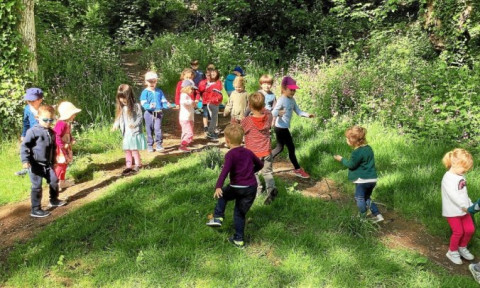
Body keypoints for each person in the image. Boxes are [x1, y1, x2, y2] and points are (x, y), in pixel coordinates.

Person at [206, 124, 263, 248]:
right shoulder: (248, 152)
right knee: (239, 213)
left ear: (227, 141)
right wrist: (250, 172)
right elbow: (260, 164)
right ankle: (238, 240)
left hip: (236, 187)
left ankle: (218, 217)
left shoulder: (230, 154)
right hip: (251, 188)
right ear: (242, 138)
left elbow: (224, 171)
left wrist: (218, 186)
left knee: (223, 195)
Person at [20, 105, 67, 218]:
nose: (48, 122)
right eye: (45, 120)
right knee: (37, 186)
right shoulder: (33, 131)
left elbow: (53, 147)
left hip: (47, 164)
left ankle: (53, 199)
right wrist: (25, 160)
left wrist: (54, 159)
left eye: (51, 120)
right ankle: (35, 209)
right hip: (35, 164)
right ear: (37, 117)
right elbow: (24, 146)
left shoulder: (51, 132)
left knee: (54, 181)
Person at [333, 126, 384, 223]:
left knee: (359, 198)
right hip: (372, 179)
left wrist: (341, 159)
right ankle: (378, 215)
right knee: (366, 198)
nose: (346, 140)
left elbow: (351, 165)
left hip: (362, 180)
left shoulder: (357, 152)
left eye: (347, 138)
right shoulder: (368, 148)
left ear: (353, 140)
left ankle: (362, 217)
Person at [271, 76, 314, 178]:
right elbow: (273, 112)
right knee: (291, 147)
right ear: (284, 89)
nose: (293, 92)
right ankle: (297, 169)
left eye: (294, 90)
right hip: (280, 127)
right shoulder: (282, 99)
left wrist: (307, 115)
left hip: (284, 127)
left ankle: (263, 162)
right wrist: (279, 113)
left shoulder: (292, 100)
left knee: (280, 147)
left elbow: (298, 111)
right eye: (291, 90)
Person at [241, 92, 278, 205]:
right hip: (266, 151)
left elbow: (241, 129)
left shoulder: (247, 121)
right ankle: (271, 189)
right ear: (263, 106)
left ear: (250, 106)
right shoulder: (268, 117)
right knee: (267, 172)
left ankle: (258, 190)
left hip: (253, 153)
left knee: (254, 173)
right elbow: (268, 111)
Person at [440, 148, 475, 265]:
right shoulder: (447, 178)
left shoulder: (461, 176)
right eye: (463, 168)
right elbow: (453, 196)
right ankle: (452, 251)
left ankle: (462, 247)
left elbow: (463, 193)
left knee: (470, 229)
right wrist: (464, 206)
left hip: (464, 210)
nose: (465, 170)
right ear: (454, 163)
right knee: (458, 232)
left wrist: (470, 204)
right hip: (453, 211)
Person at [112, 84, 147, 175]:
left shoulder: (136, 106)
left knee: (134, 149)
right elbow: (119, 118)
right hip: (126, 133)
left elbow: (140, 117)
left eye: (124, 97)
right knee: (127, 149)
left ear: (129, 96)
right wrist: (116, 124)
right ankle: (128, 166)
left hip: (134, 133)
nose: (122, 100)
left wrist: (134, 124)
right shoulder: (123, 108)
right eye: (120, 98)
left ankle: (138, 164)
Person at [140, 71, 171, 152]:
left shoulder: (159, 91)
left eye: (154, 81)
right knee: (149, 129)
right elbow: (143, 103)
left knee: (158, 129)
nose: (152, 83)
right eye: (150, 81)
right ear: (146, 82)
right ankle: (150, 145)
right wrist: (149, 106)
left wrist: (166, 105)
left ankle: (159, 145)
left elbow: (163, 101)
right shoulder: (145, 92)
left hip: (158, 113)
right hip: (148, 114)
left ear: (156, 81)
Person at [16, 88, 45, 176]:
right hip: (31, 134)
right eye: (28, 101)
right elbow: (26, 123)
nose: (30, 103)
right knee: (29, 151)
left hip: (42, 134)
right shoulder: (27, 109)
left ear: (40, 100)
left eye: (32, 100)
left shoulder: (44, 109)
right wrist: (24, 134)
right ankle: (29, 168)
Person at [54, 101, 81, 190]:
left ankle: (62, 182)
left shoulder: (67, 123)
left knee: (65, 164)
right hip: (60, 149)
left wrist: (72, 139)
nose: (74, 116)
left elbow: (68, 134)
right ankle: (55, 183)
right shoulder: (60, 123)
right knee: (61, 165)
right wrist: (62, 145)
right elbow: (56, 136)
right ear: (68, 114)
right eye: (73, 114)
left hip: (66, 147)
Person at [201, 69, 223, 140]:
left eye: (215, 72)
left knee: (214, 118)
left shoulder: (217, 82)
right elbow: (203, 91)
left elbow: (219, 91)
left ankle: (212, 131)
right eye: (212, 73)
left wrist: (218, 99)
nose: (213, 73)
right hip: (211, 103)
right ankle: (210, 133)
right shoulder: (207, 83)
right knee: (213, 118)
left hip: (214, 103)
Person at [178, 79, 197, 152]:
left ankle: (183, 145)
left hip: (189, 118)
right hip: (185, 118)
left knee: (186, 132)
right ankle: (183, 146)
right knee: (189, 133)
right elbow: (183, 102)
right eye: (191, 89)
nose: (193, 91)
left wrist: (193, 104)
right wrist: (191, 102)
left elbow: (190, 104)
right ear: (186, 88)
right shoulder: (183, 95)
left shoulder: (188, 96)